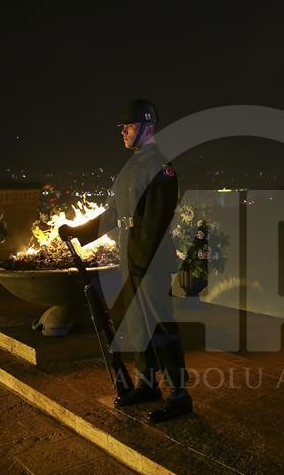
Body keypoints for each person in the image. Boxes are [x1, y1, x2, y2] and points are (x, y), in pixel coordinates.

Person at [59, 99, 191, 423]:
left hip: (151, 261)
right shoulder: (132, 166)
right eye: (122, 127)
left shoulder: (161, 166)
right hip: (133, 259)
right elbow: (116, 213)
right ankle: (147, 385)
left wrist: (143, 263)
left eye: (128, 126)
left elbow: (157, 222)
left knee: (160, 326)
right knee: (138, 326)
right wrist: (80, 231)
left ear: (147, 126)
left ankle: (179, 395)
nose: (123, 132)